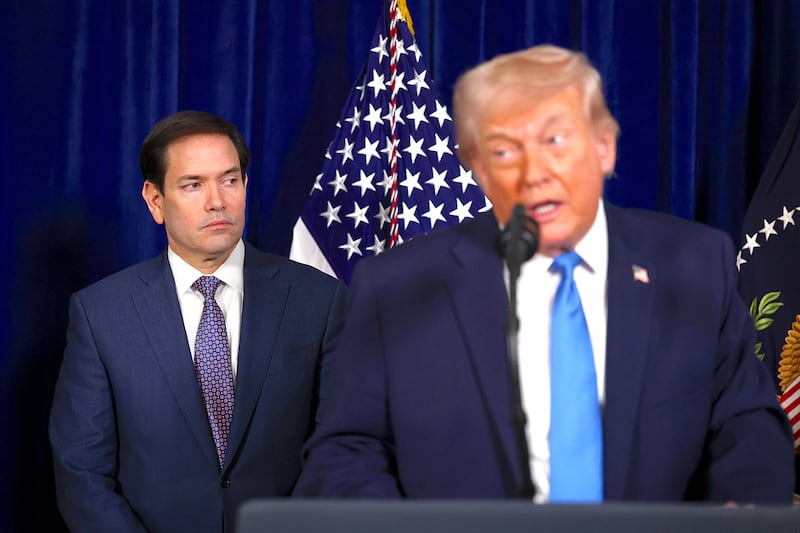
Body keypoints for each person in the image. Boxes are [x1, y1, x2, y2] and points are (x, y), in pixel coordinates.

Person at [298, 45, 794, 503]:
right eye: (504, 150)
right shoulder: (397, 286)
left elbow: (747, 429)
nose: (534, 172)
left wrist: (739, 512)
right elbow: (345, 452)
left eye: (556, 140)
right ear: (478, 170)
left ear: (605, 148)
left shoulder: (695, 265)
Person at [49, 110, 345, 532]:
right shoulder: (100, 313)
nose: (217, 201)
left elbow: (342, 444)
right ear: (155, 200)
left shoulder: (319, 298)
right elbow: (80, 469)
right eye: (193, 184)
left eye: (229, 179)